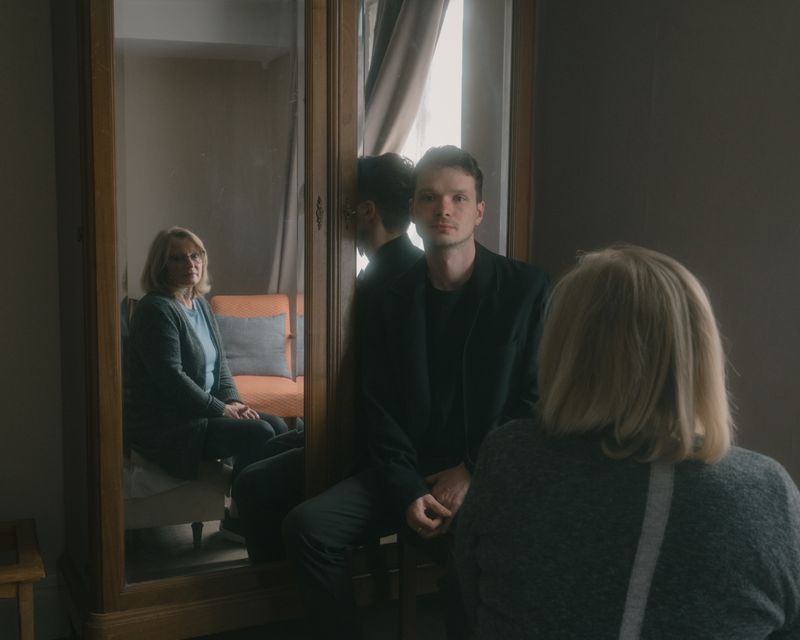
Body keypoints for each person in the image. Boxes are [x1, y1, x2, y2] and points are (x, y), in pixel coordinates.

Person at [455, 245, 800, 639]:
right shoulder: (765, 492)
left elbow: (471, 600)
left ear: (566, 349)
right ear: (700, 352)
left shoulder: (509, 458)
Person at [281, 146, 550, 639]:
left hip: (487, 474)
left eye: (457, 198)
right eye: (429, 197)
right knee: (309, 528)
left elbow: (532, 402)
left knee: (479, 562)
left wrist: (471, 469)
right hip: (406, 474)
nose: (443, 209)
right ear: (413, 210)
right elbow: (377, 404)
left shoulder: (527, 290)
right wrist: (407, 490)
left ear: (478, 211)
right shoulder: (387, 295)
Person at [233, 153, 422, 562]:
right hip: (357, 427)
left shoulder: (387, 282)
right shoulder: (390, 271)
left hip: (375, 443)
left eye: (342, 209)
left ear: (367, 211)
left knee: (252, 483)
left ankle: (277, 593)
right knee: (269, 449)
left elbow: (380, 387)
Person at [124, 226, 288, 534]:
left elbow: (222, 363)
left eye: (195, 255)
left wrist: (234, 400)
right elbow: (172, 379)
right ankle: (238, 519)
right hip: (170, 424)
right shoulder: (156, 310)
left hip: (201, 411)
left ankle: (257, 508)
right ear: (161, 266)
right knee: (258, 432)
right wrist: (220, 409)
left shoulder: (198, 303)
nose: (190, 264)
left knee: (278, 427)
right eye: (178, 258)